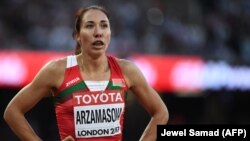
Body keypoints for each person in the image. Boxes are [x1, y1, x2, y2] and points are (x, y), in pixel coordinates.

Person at [3, 5, 169, 141]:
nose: (98, 32)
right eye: (90, 26)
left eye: (104, 25)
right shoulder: (57, 70)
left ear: (110, 33)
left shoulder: (127, 71)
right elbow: (12, 111)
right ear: (77, 36)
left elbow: (161, 113)